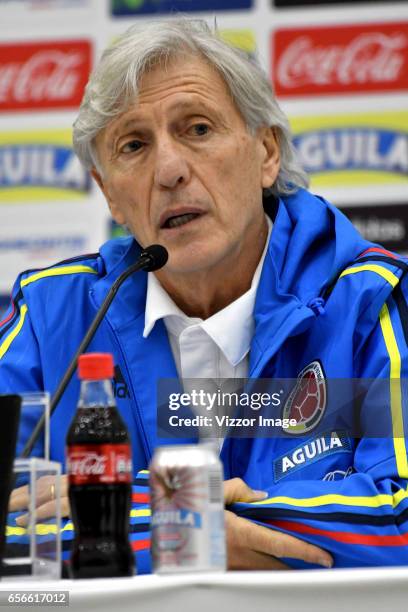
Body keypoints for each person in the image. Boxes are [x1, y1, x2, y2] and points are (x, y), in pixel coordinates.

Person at [2, 18, 408, 573]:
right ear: (109, 196)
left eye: (197, 129)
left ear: (266, 153)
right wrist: (191, 526)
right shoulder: (51, 317)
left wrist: (138, 511)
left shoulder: (373, 300)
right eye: (134, 145)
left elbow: (399, 514)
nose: (169, 170)